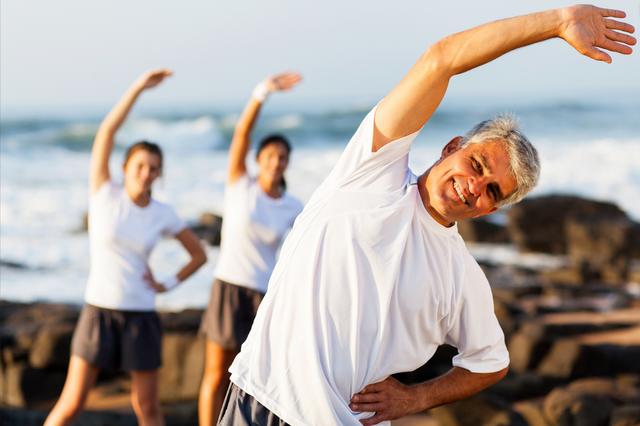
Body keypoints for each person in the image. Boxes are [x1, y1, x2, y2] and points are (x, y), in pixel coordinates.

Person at [219, 5, 636, 426]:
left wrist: (415, 398)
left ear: (493, 208)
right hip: (261, 401)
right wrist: (555, 22)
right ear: (452, 147)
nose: (475, 187)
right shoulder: (371, 172)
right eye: (476, 165)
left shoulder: (460, 275)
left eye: (492, 190)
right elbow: (442, 59)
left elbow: (491, 362)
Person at [45, 69, 208, 426]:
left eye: (154, 169)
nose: (146, 173)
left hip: (140, 313)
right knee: (72, 403)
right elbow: (106, 131)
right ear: (125, 167)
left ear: (159, 174)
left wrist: (167, 283)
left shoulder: (163, 213)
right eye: (140, 166)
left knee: (147, 408)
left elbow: (199, 255)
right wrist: (138, 88)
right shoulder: (105, 194)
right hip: (99, 310)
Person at [198, 73, 304, 425]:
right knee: (216, 373)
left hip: (264, 295)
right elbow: (241, 134)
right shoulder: (239, 185)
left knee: (255, 377)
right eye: (271, 155)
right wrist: (262, 93)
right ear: (259, 159)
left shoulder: (292, 205)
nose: (276, 162)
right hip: (228, 285)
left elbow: (306, 248)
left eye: (283, 157)